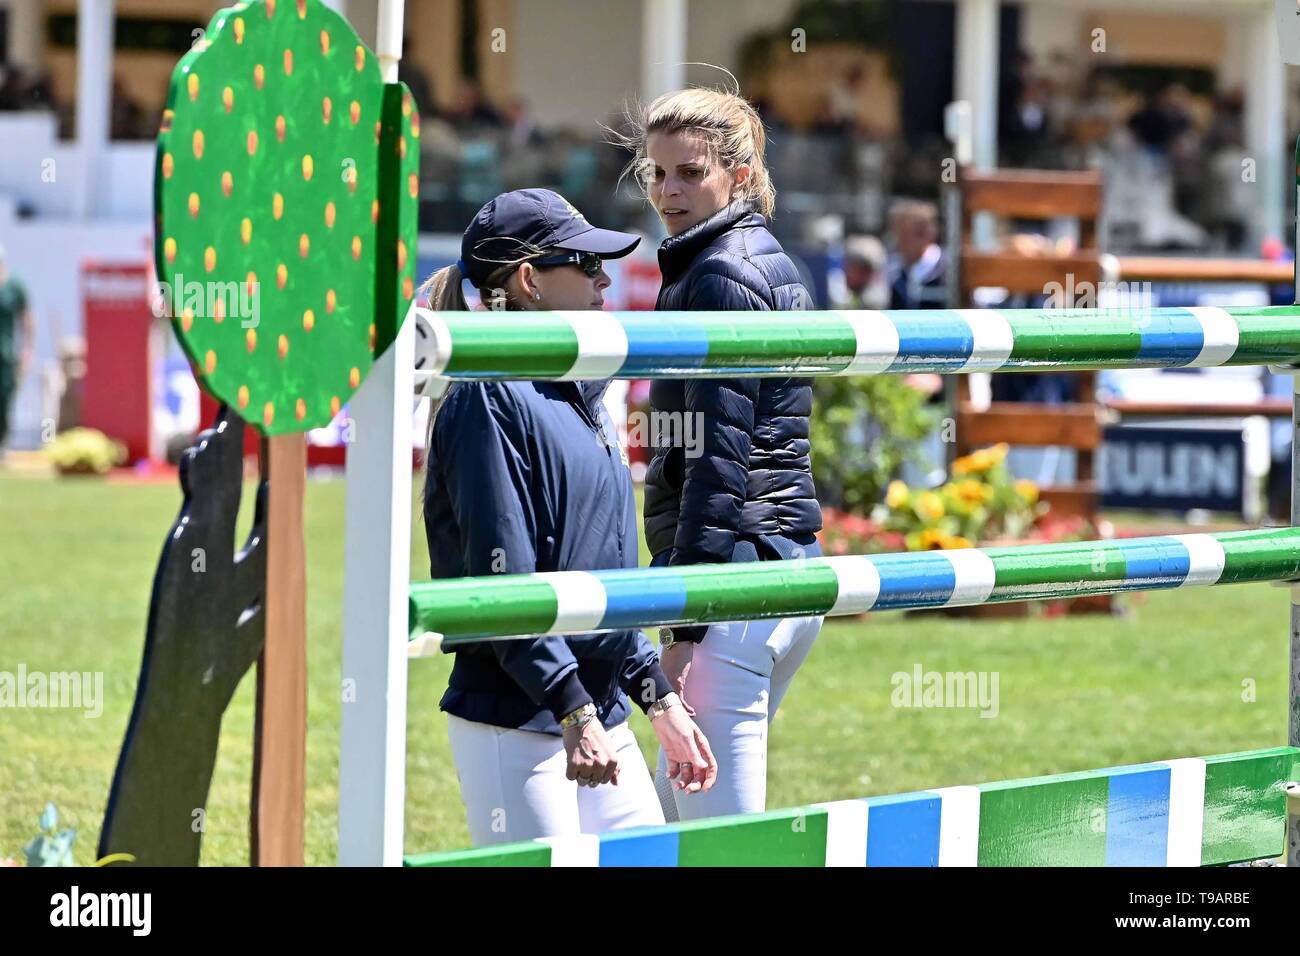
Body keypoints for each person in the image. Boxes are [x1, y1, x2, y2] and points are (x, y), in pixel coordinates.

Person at [419, 188, 717, 846]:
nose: (603, 278)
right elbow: (506, 579)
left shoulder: (581, 394)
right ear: (528, 281)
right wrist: (572, 707)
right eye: (585, 264)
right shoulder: (487, 402)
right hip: (517, 717)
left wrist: (657, 698)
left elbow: (606, 571)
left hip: (595, 706)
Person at [620, 87, 823, 821]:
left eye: (690, 173)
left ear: (738, 175)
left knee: (716, 839)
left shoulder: (718, 273)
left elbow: (718, 459)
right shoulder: (762, 258)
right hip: (784, 570)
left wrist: (686, 624)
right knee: (682, 823)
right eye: (658, 173)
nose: (668, 192)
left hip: (737, 581)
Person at [0, 245, 34, 459]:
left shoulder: (14, 286)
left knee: (4, 398)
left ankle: (2, 442)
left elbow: (27, 320)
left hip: (6, 353)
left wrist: (27, 349)